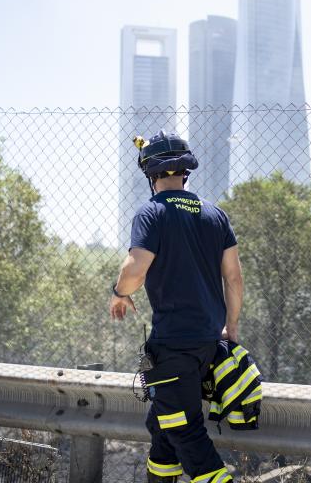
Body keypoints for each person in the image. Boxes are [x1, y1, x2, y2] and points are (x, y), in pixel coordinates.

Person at [111, 130, 245, 483]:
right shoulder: (215, 215)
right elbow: (233, 278)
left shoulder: (151, 213)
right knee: (162, 429)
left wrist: (120, 292)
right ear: (185, 172)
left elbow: (134, 270)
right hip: (207, 344)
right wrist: (230, 327)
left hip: (173, 345)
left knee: (185, 432)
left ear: (150, 174)